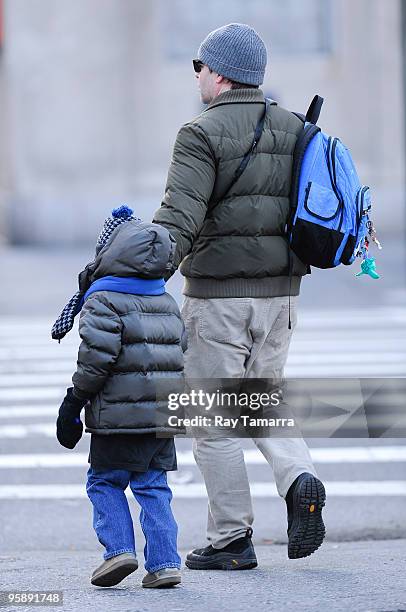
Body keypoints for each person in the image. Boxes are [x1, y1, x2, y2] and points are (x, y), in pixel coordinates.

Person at [153, 23, 326, 570]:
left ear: (220, 74)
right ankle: (300, 479)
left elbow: (178, 220)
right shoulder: (294, 127)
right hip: (281, 298)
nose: (197, 75)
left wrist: (140, 274)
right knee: (260, 400)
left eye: (200, 66)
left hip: (218, 299)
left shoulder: (199, 133)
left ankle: (231, 539)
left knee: (212, 420)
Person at [53, 206, 185, 588]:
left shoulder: (104, 299)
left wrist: (73, 403)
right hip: (161, 418)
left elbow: (96, 359)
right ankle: (164, 564)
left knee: (105, 482)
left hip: (117, 419)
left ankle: (118, 552)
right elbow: (182, 354)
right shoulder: (166, 300)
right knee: (153, 487)